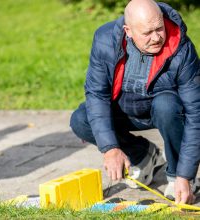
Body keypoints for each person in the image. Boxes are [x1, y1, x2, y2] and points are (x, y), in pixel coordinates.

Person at [70, 0, 200, 204]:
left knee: (167, 105)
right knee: (81, 119)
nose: (157, 37)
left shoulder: (182, 49)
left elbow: (195, 113)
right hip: (124, 109)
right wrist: (110, 148)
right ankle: (144, 156)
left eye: (159, 28)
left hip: (165, 111)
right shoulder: (105, 39)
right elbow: (97, 94)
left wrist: (186, 175)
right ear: (128, 31)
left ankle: (176, 176)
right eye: (147, 33)